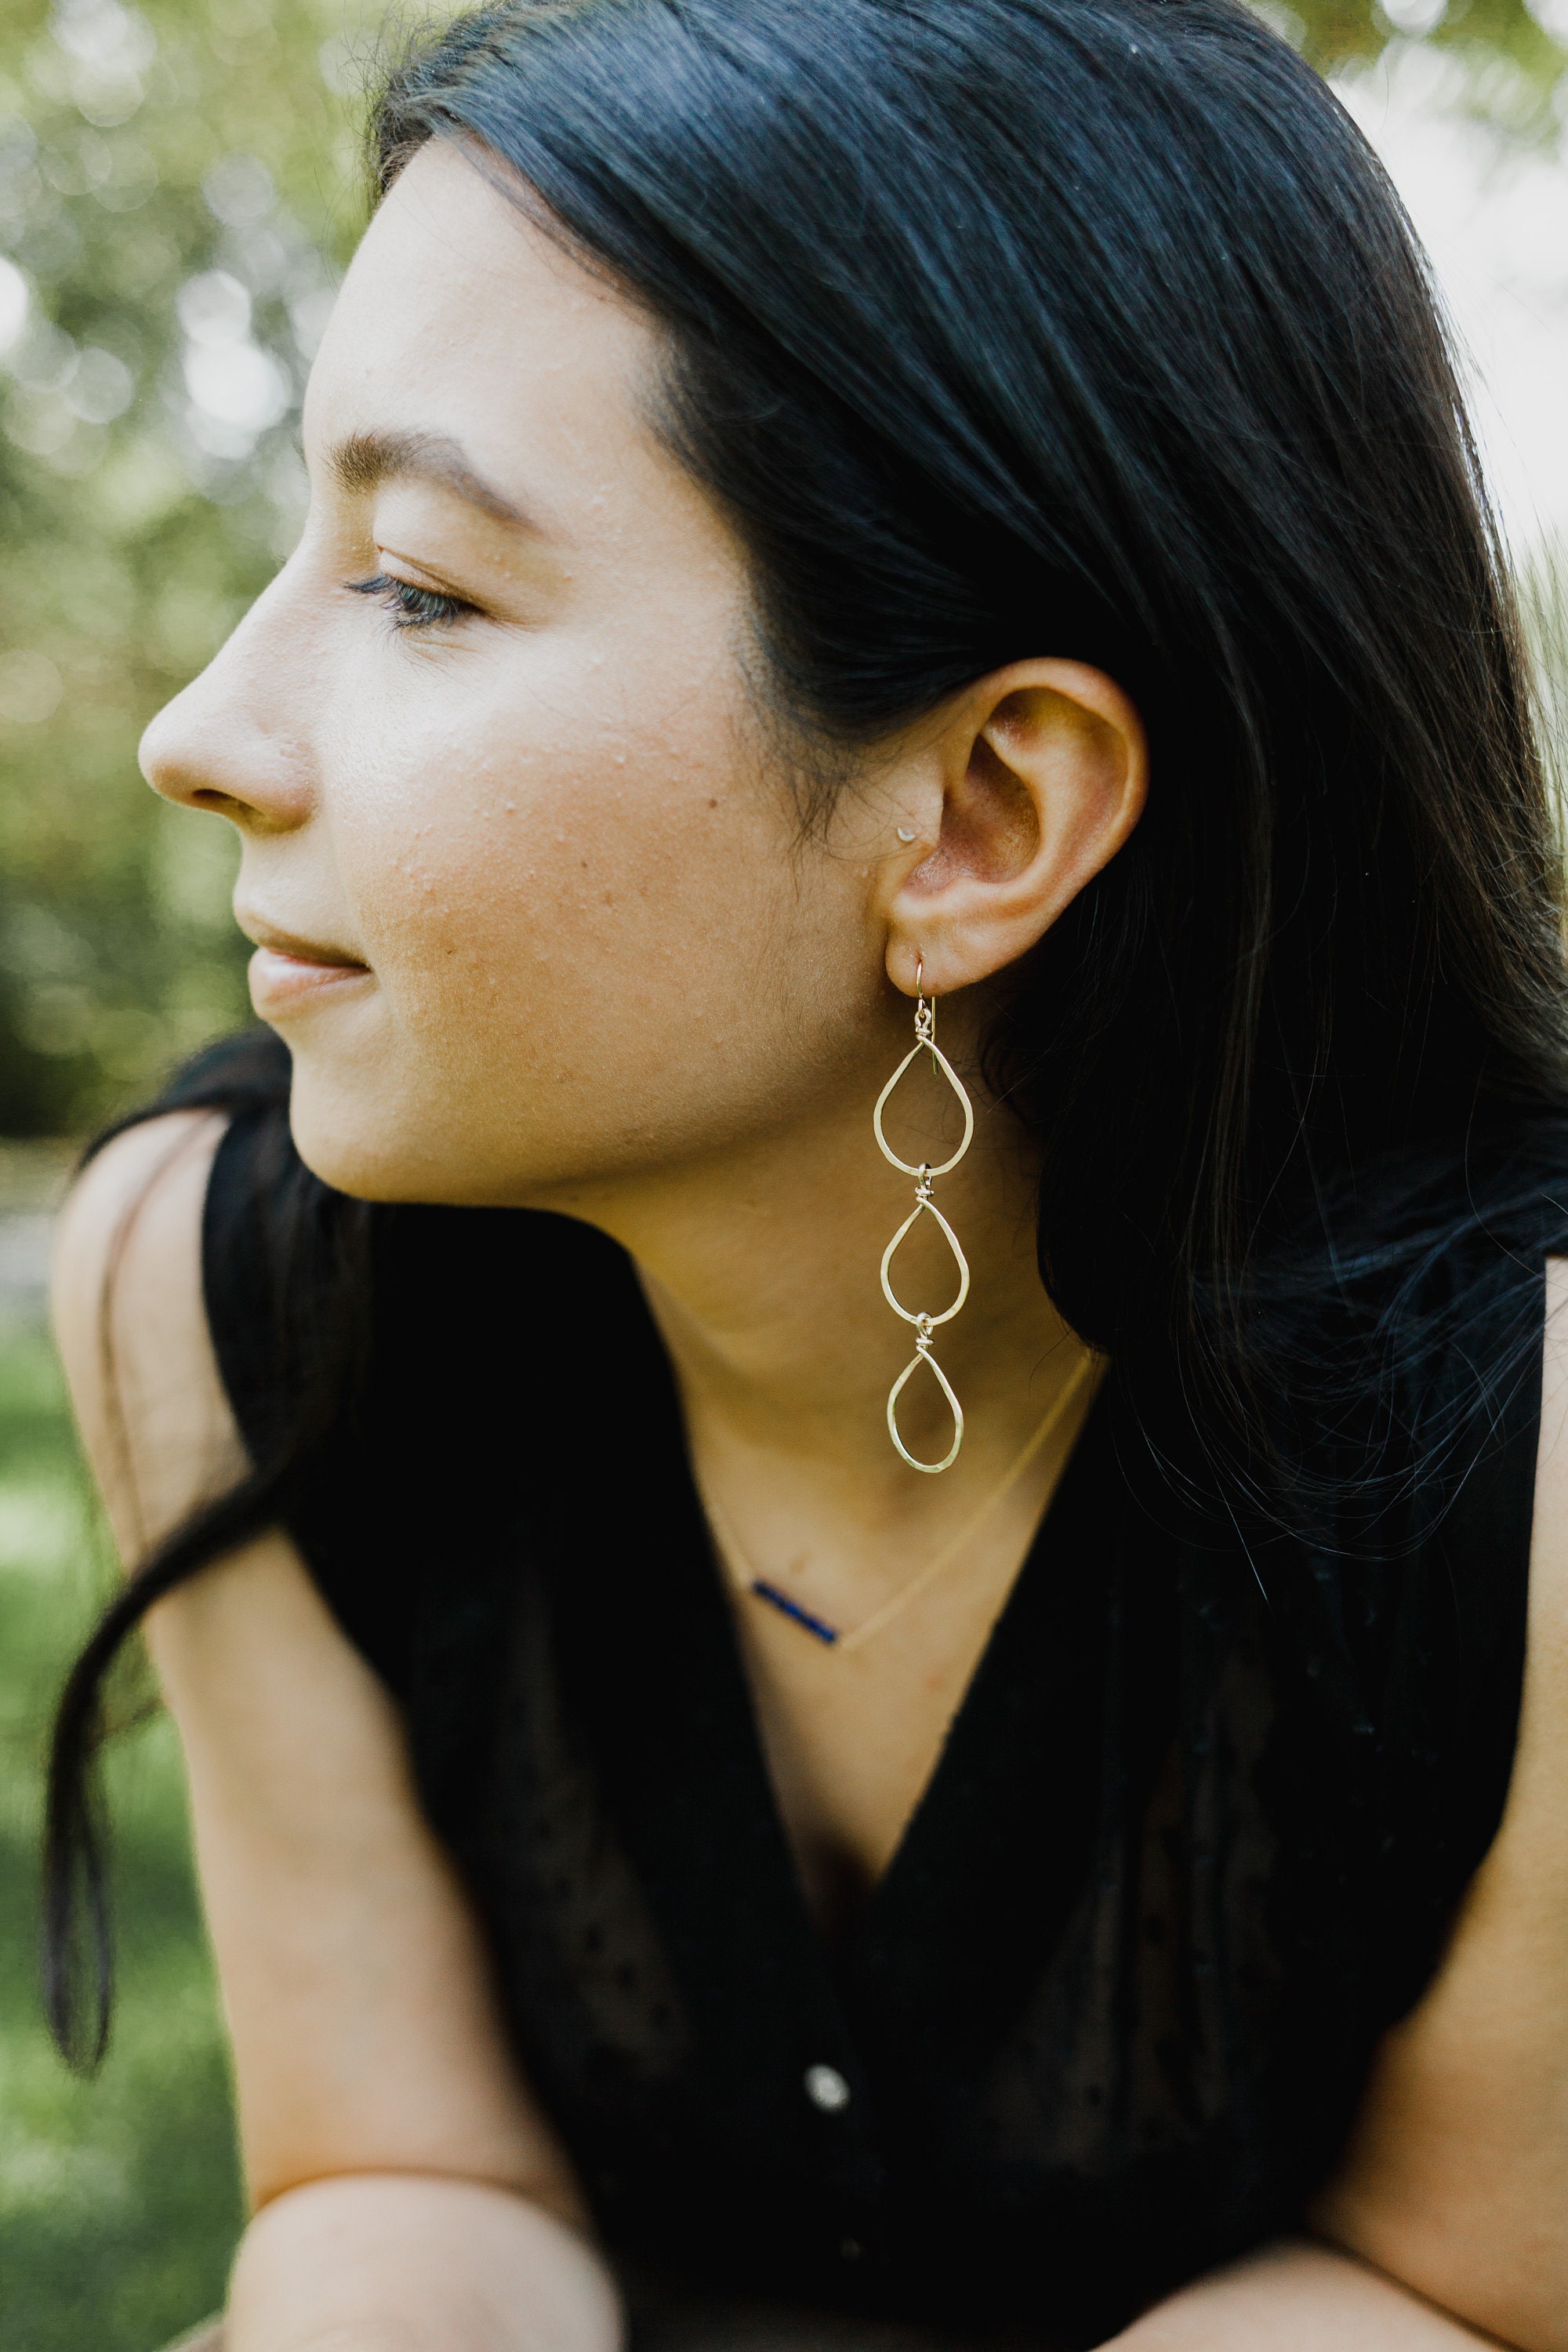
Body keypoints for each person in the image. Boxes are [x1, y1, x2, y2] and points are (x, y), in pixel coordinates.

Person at [42, 1, 1568, 2346]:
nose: (203, 734)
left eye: (422, 588)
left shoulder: (1523, 1474)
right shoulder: (216, 1288)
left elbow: (1440, 2290)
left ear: (980, 817)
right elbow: (397, 2173)